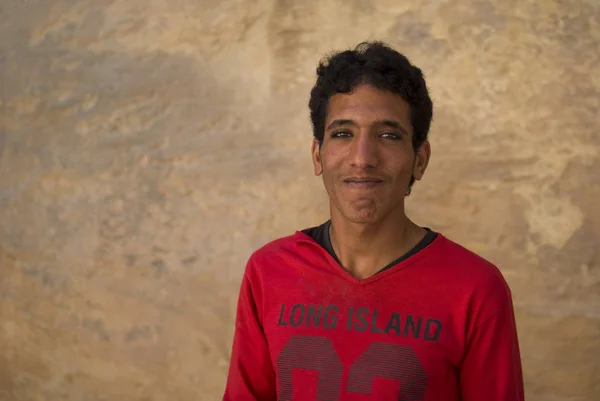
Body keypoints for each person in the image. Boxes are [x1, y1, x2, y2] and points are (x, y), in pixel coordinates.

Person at [222, 41, 524, 401]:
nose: (363, 157)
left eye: (388, 135)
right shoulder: (268, 272)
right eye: (343, 133)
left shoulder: (475, 289)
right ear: (318, 155)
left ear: (420, 160)